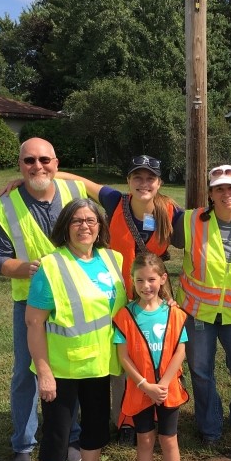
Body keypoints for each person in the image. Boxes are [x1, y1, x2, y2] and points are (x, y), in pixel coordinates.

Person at [52, 157, 184, 438]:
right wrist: (35, 176)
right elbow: (79, 182)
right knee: (123, 361)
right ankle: (125, 419)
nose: (143, 184)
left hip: (153, 297)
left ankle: (158, 411)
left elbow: (199, 231)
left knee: (154, 354)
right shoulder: (114, 202)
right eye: (138, 177)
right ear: (128, 181)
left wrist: (168, 296)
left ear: (159, 183)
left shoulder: (170, 211)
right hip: (119, 297)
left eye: (150, 178)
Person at [25, 198, 128, 461]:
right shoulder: (51, 267)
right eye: (78, 221)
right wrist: (44, 371)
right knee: (57, 435)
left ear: (100, 227)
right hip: (62, 369)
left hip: (99, 365)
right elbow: (34, 323)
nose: (86, 226)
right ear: (65, 227)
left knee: (96, 430)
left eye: (92, 221)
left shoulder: (113, 259)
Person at [0, 137, 87, 461]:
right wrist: (25, 269)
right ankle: (23, 445)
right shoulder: (5, 206)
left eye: (45, 159)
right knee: (27, 373)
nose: (37, 166)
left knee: (69, 370)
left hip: (72, 299)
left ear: (56, 163)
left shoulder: (75, 195)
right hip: (29, 303)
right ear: (20, 166)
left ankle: (71, 436)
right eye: (29, 161)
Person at [172, 165, 231, 444]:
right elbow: (156, 231)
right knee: (201, 371)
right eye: (219, 188)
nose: (226, 194)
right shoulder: (189, 220)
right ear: (210, 193)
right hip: (198, 311)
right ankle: (210, 427)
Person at [114, 253, 188, 461]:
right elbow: (123, 356)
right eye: (140, 280)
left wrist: (164, 384)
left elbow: (180, 351)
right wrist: (145, 385)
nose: (146, 285)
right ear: (132, 282)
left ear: (163, 279)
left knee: (169, 440)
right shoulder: (125, 315)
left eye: (152, 279)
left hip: (168, 391)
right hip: (140, 391)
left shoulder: (175, 313)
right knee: (144, 441)